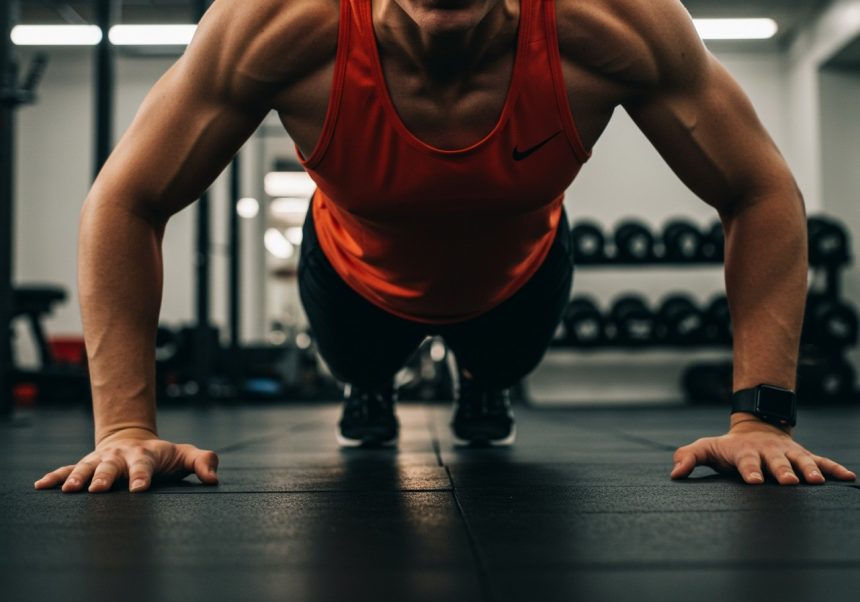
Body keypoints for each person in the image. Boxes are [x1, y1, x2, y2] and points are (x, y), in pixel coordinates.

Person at [34, 0, 857, 494]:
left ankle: (483, 388)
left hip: (522, 275)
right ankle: (372, 392)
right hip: (353, 278)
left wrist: (762, 420)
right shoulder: (278, 25)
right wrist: (125, 431)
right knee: (361, 374)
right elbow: (125, 199)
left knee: (499, 375)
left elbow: (759, 190)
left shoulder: (612, 24)